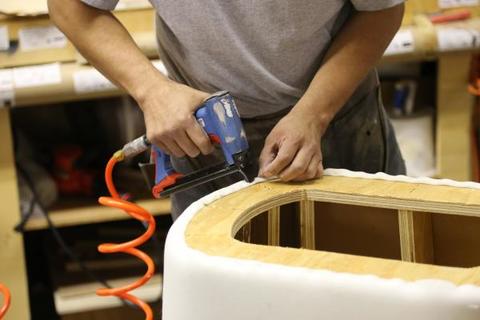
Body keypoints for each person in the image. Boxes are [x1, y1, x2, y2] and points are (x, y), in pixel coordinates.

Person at [49, 0, 406, 219]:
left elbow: (382, 9)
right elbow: (71, 6)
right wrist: (152, 91)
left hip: (335, 118)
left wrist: (314, 114)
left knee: (365, 285)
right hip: (200, 133)